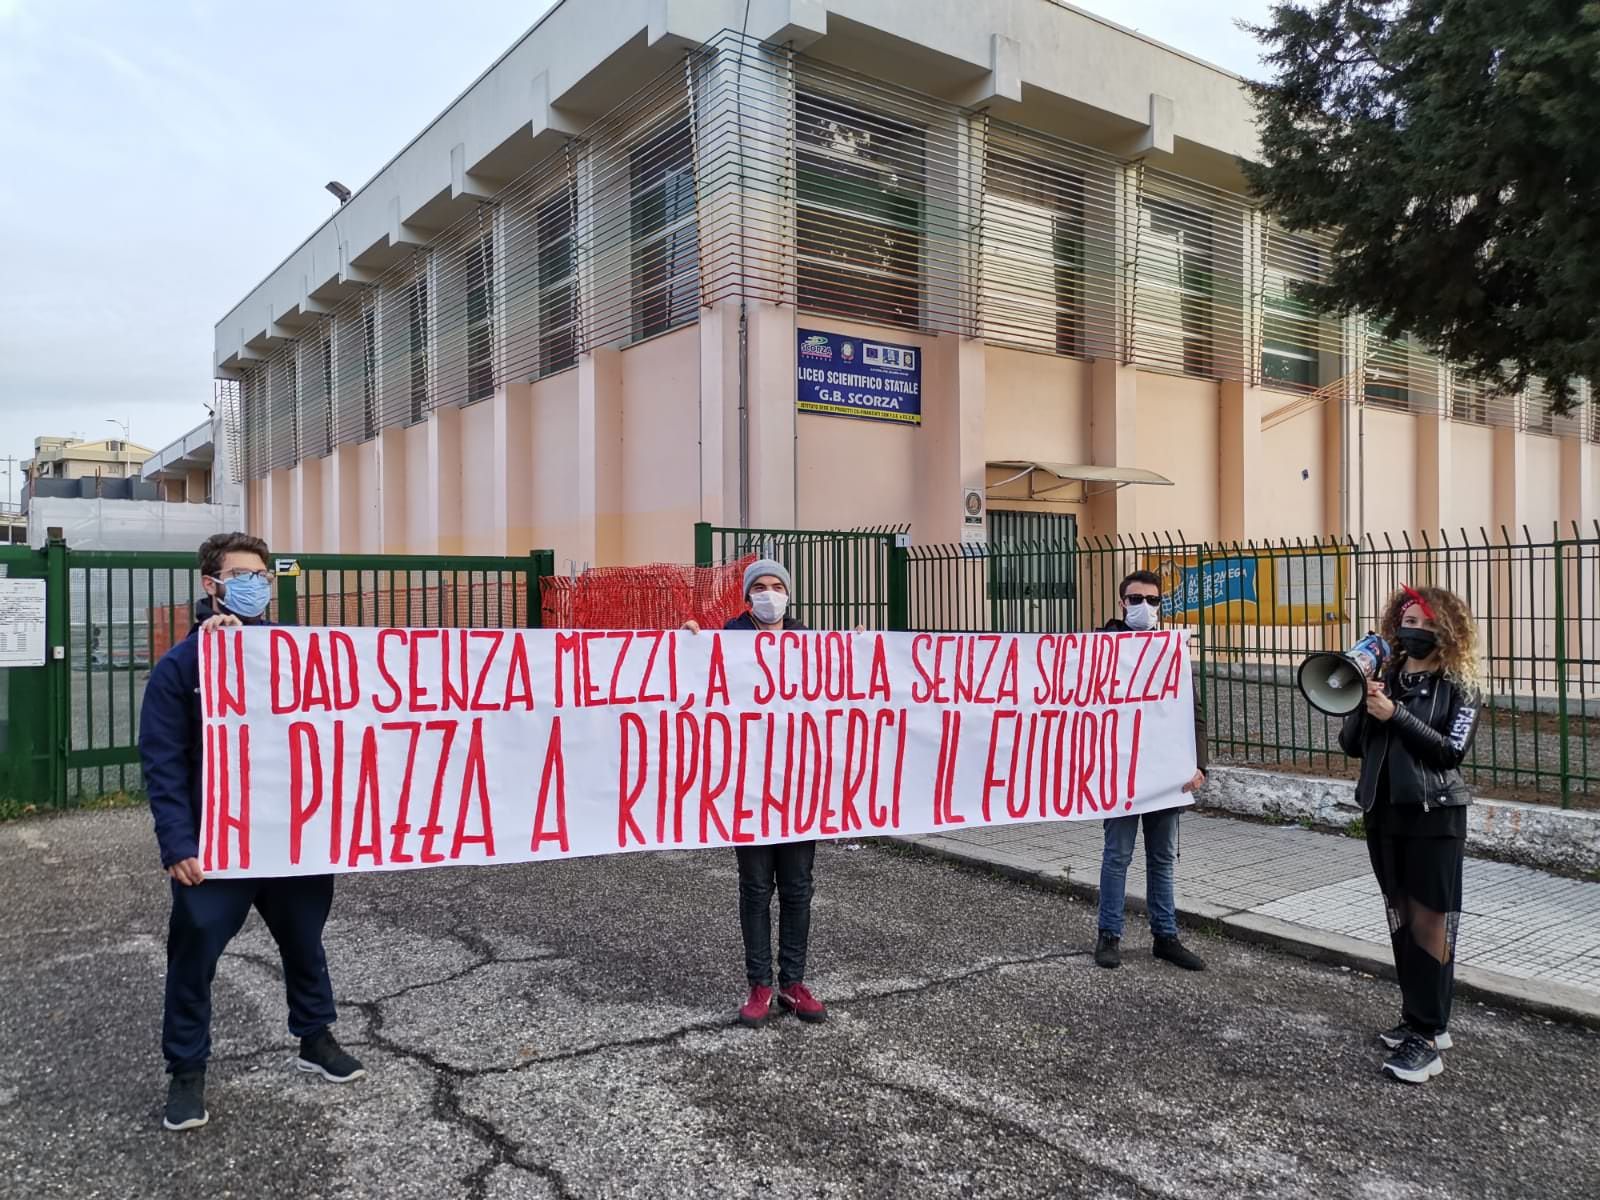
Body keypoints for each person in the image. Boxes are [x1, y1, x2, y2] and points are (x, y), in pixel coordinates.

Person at [139, 532, 365, 1132]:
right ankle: (186, 1071)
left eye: (262, 578)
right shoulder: (179, 668)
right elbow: (163, 761)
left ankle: (315, 1038)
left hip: (291, 837)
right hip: (216, 846)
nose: (255, 587)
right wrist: (178, 844)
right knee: (195, 954)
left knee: (304, 942)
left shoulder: (292, 652)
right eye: (241, 576)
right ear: (210, 585)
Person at [1339, 585, 1481, 1085]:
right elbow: (1351, 744)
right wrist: (1364, 698)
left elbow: (1450, 751)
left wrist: (1395, 715)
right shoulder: (1388, 676)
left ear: (1446, 630)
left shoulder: (1459, 686)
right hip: (1385, 813)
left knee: (1431, 925)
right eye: (1407, 621)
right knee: (1401, 918)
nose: (1413, 630)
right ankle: (1419, 1018)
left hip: (1434, 816)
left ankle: (1429, 1033)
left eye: (1424, 623)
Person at [685, 559, 828, 1029]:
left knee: (798, 888)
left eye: (778, 586)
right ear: (748, 598)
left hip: (798, 786)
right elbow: (696, 683)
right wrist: (689, 643)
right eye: (760, 588)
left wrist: (860, 649)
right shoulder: (727, 641)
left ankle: (793, 983)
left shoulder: (810, 641)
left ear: (789, 593)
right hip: (748, 786)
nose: (770, 595)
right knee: (754, 888)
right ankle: (759, 985)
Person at [1094, 570, 1209, 972]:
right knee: (1117, 855)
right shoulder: (1100, 648)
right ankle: (1109, 935)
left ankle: (1166, 936)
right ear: (1122, 603)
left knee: (1161, 858)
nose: (1145, 608)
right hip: (1122, 772)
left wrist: (1199, 764)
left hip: (1166, 773)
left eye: (1153, 600)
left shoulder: (1171, 649)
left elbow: (1192, 710)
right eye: (1136, 599)